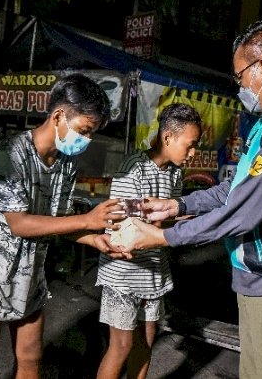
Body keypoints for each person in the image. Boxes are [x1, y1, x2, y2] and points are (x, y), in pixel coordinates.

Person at [98, 18, 262, 379]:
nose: (240, 85)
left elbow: (242, 212)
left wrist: (162, 236)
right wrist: (179, 205)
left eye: (240, 76)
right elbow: (236, 189)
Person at [0, 73, 127, 379]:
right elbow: (19, 224)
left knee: (31, 358)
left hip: (29, 275)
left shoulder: (65, 162)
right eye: (84, 130)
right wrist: (88, 219)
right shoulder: (9, 154)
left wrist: (93, 238)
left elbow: (57, 220)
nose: (86, 140)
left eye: (92, 133)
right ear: (59, 115)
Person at [95, 103, 202, 379]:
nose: (193, 154)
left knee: (145, 343)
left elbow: (162, 219)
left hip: (153, 274)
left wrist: (177, 221)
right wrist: (179, 222)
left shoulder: (175, 173)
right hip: (124, 272)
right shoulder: (133, 169)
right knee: (121, 346)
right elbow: (124, 227)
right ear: (168, 138)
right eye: (189, 146)